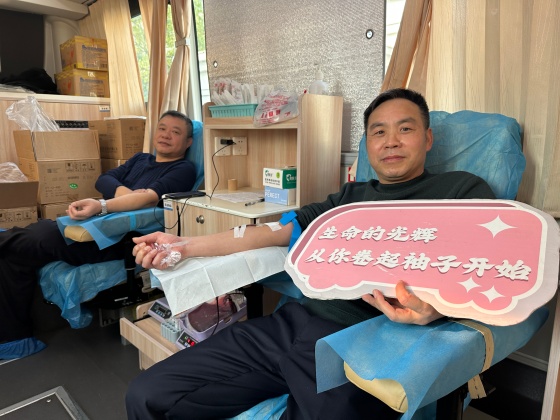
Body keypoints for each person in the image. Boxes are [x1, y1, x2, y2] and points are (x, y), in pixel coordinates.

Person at [126, 89, 496, 419]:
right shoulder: (349, 198)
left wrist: (436, 309)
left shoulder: (461, 192)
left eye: (406, 128)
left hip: (366, 346)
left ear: (427, 138)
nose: (391, 142)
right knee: (147, 395)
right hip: (294, 325)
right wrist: (183, 245)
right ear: (368, 144)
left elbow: (487, 270)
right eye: (379, 132)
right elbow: (271, 232)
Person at [0, 110, 197, 358]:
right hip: (97, 227)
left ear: (188, 142)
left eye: (175, 132)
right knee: (15, 252)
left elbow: (149, 198)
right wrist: (127, 195)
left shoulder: (183, 169)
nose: (166, 135)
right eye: (162, 128)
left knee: (37, 236)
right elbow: (104, 179)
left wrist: (102, 205)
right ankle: (14, 339)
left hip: (122, 239)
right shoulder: (140, 159)